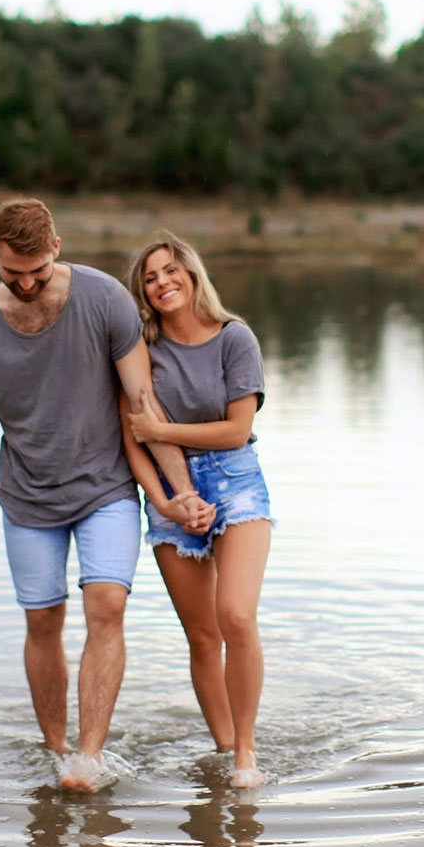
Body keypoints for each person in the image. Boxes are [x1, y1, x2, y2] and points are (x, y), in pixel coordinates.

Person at [0, 199, 212, 793]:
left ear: (56, 247)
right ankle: (56, 752)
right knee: (42, 620)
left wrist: (178, 493)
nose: (26, 284)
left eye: (37, 271)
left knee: (107, 605)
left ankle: (88, 757)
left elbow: (143, 404)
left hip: (105, 485)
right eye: (11, 272)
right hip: (26, 497)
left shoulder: (105, 300)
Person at [120, 232, 273, 789]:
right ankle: (226, 745)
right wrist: (163, 501)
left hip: (236, 483)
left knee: (236, 615)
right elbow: (130, 438)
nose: (162, 283)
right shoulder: (140, 350)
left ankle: (247, 755)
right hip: (168, 494)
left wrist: (164, 429)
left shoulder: (235, 338)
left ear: (191, 273)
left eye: (169, 271)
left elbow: (238, 430)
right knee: (204, 637)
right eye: (150, 278)